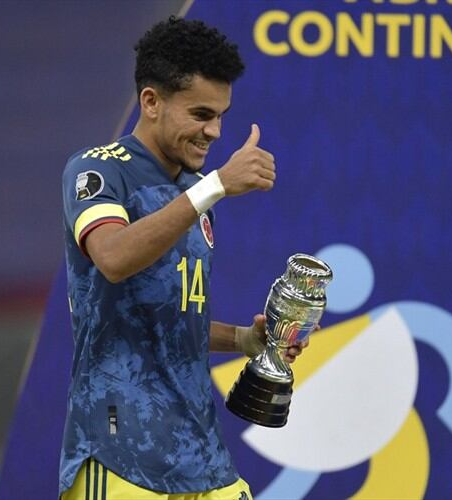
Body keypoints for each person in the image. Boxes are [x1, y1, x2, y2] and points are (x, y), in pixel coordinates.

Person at [59, 17, 308, 500]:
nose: (214, 131)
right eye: (200, 114)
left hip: (201, 457)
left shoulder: (194, 193)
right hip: (120, 454)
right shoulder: (98, 170)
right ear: (151, 102)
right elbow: (111, 257)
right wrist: (217, 185)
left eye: (220, 115)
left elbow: (171, 319)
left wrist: (246, 339)